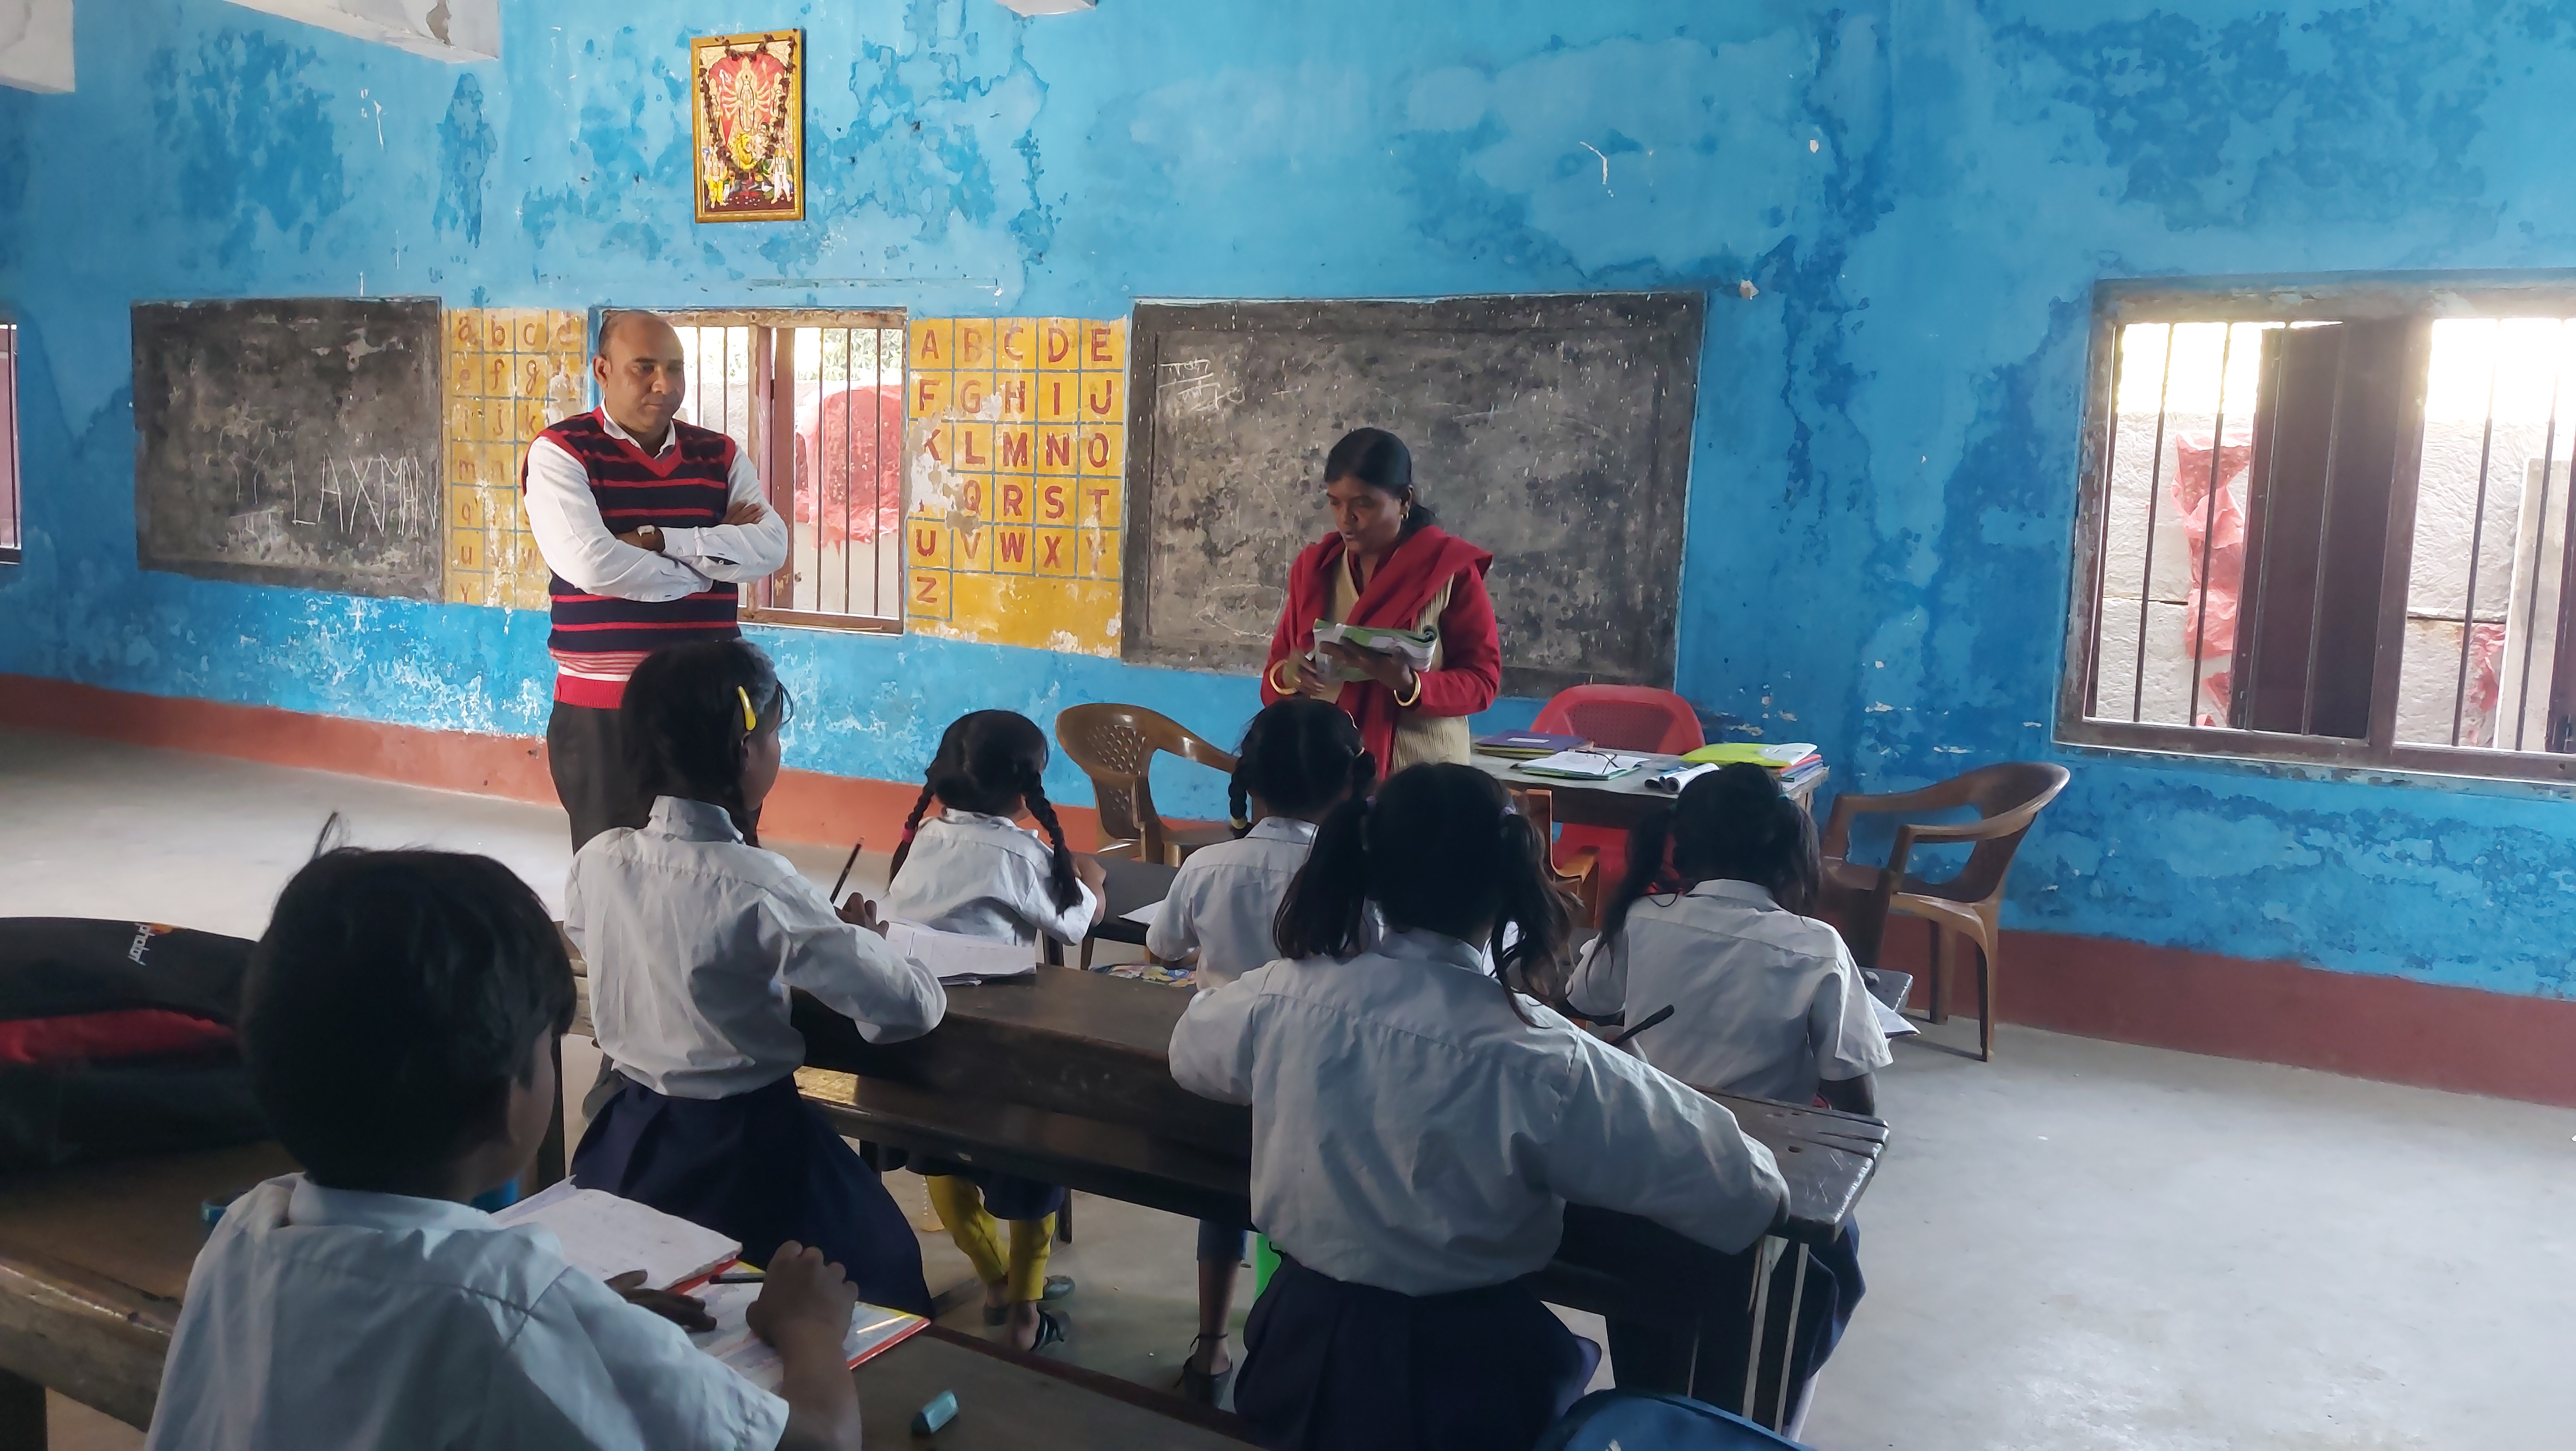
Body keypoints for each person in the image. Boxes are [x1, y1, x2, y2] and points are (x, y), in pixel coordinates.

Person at [145, 848, 866, 1451]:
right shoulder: (510, 1302)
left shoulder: (244, 1232)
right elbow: (820, 1443)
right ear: (508, 1097)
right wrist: (809, 1331)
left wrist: (581, 1323)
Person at [1169, 763, 1789, 1451]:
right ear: (1513, 881)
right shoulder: (1544, 1058)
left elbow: (1190, 1053)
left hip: (1297, 1347)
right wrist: (1634, 1072)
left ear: (1369, 867)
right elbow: (1749, 1192)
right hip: (1464, 1381)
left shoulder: (1280, 996)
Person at [568, 640, 946, 1316]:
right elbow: (910, 1008)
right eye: (774, 735)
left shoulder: (600, 858)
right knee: (880, 1268)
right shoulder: (758, 883)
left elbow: (590, 937)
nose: (777, 749)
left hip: (626, 1139)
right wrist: (862, 942)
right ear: (745, 751)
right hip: (743, 1153)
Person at [1562, 762, 1887, 1426]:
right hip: (1758, 1200)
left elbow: (1582, 998)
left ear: (1682, 846)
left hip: (1640, 1186)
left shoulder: (1643, 918)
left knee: (1659, 1323)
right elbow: (1858, 1109)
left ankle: (1653, 1417)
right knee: (1832, 1263)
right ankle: (1760, 1426)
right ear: (1787, 849)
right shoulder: (1816, 946)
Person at [1144, 697, 1377, 1404]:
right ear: (1354, 781)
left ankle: (1211, 1347)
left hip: (1219, 1078)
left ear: (1251, 780)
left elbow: (1161, 947)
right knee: (1301, 1211)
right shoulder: (1358, 875)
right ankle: (1285, 1345)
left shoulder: (1210, 863)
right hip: (1316, 1085)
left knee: (1221, 1207)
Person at [882, 709, 1106, 1352]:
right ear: (1025, 790)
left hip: (924, 1043)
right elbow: (1075, 924)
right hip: (999, 1050)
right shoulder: (1019, 853)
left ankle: (995, 1284)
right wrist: (1091, 880)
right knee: (1031, 1175)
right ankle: (1026, 1315)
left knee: (944, 1169)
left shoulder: (922, 838)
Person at [524, 309, 789, 849]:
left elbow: (770, 547)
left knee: (726, 871)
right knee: (617, 873)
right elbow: (593, 564)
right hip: (606, 708)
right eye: (643, 368)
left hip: (715, 706)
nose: (664, 385)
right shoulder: (561, 453)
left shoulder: (719, 454)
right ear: (601, 370)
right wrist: (707, 565)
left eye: (675, 368)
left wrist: (657, 540)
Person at [1258, 428, 1501, 773]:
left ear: (1405, 501)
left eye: (1364, 504)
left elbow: (1482, 681)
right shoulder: (1315, 568)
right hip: (1329, 771)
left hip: (1422, 774)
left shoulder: (1448, 571)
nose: (1346, 519)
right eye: (1335, 502)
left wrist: (1409, 684)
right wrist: (1291, 676)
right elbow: (1277, 671)